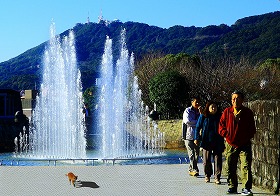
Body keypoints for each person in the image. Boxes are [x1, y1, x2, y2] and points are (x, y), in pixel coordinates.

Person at [218, 90, 256, 195]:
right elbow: (221, 127)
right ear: (231, 100)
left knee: (246, 165)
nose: (236, 100)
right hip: (231, 143)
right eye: (234, 98)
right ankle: (232, 186)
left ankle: (246, 188)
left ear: (242, 100)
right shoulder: (227, 112)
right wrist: (227, 135)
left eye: (238, 98)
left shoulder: (247, 112)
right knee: (230, 166)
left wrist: (246, 137)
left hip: (244, 143)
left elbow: (252, 128)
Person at [194, 101, 225, 184]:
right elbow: (197, 127)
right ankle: (207, 175)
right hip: (206, 140)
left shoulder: (220, 116)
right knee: (206, 160)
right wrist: (196, 138)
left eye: (215, 107)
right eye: (212, 107)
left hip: (218, 140)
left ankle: (217, 177)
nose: (214, 108)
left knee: (218, 159)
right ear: (208, 108)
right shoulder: (204, 116)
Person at [182, 97, 202, 176]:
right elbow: (187, 121)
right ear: (192, 102)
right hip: (188, 135)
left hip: (197, 136)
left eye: (199, 102)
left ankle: (191, 169)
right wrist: (198, 122)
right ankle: (195, 169)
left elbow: (203, 121)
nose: (197, 104)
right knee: (191, 154)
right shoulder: (188, 110)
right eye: (196, 102)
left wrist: (201, 114)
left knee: (197, 153)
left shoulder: (200, 111)